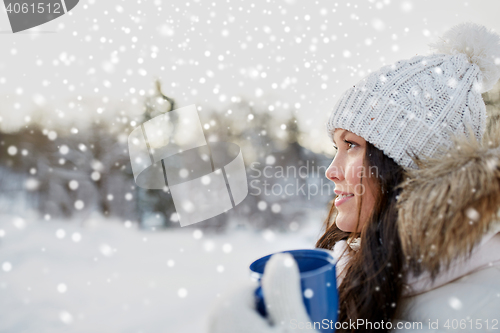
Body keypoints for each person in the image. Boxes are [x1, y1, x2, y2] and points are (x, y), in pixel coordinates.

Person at [207, 21, 500, 332]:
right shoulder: (366, 269)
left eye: (352, 145)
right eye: (336, 146)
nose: (331, 171)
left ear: (414, 168)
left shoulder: (481, 310)